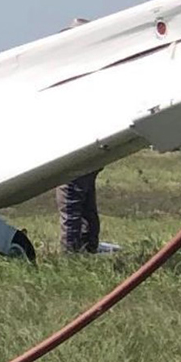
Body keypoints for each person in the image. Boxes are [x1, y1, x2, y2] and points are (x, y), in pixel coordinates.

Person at [54, 18, 119, 254]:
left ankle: (70, 255)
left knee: (70, 202)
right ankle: (88, 246)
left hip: (77, 147)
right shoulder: (99, 71)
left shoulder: (76, 74)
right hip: (94, 147)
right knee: (86, 202)